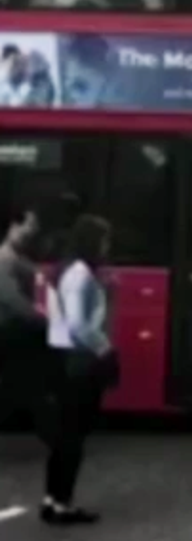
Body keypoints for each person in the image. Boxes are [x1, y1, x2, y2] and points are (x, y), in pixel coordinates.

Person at [42, 214, 119, 526]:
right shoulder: (80, 274)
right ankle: (63, 504)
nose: (106, 247)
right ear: (91, 241)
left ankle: (52, 500)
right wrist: (105, 349)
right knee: (74, 435)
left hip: (60, 355)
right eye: (104, 241)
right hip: (79, 361)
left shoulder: (63, 270)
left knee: (64, 435)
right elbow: (78, 325)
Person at [0, 207, 50, 424]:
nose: (34, 231)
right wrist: (41, 319)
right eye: (30, 225)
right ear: (14, 226)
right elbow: (11, 299)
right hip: (8, 330)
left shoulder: (18, 256)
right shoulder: (4, 258)